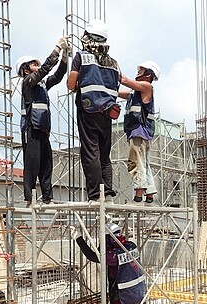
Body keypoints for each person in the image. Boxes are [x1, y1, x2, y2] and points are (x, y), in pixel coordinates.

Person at [67, 19, 120, 203]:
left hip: (88, 109)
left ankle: (96, 195)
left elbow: (71, 84)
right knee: (105, 155)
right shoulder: (114, 63)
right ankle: (108, 192)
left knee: (91, 153)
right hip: (107, 113)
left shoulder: (82, 56)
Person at [17, 36, 69, 207]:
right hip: (31, 129)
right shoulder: (28, 82)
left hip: (43, 130)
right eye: (34, 65)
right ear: (26, 70)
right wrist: (57, 48)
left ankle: (47, 198)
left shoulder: (41, 85)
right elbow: (45, 70)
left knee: (46, 165)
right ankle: (29, 199)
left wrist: (64, 58)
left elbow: (58, 76)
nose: (37, 67)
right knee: (32, 165)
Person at [119, 61, 160, 204]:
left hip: (139, 131)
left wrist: (111, 73)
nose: (138, 71)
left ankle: (139, 192)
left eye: (141, 70)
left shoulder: (146, 86)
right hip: (140, 132)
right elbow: (120, 93)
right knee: (144, 162)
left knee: (135, 161)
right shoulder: (136, 92)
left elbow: (125, 81)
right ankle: (149, 193)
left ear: (149, 74)